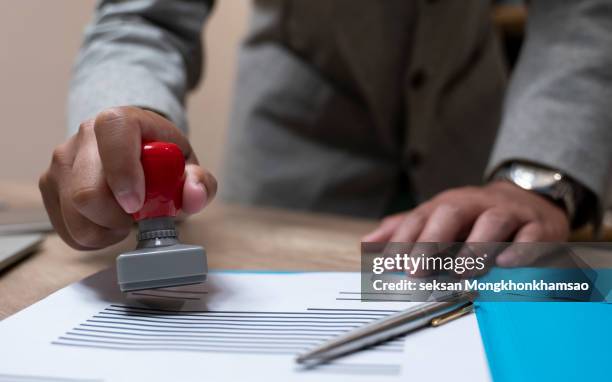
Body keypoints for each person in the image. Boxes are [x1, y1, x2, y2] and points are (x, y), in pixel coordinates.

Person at [40, 0, 610, 253]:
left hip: (474, 145)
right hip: (292, 158)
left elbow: (585, 9)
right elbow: (143, 16)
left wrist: (536, 175)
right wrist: (124, 126)